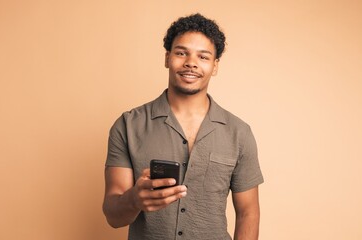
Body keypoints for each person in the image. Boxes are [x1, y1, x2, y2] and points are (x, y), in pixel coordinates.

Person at [103, 13, 264, 240]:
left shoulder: (239, 133)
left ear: (215, 66)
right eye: (181, 53)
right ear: (167, 58)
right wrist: (134, 199)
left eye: (203, 56)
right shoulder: (128, 125)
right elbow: (113, 216)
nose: (191, 62)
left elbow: (248, 213)